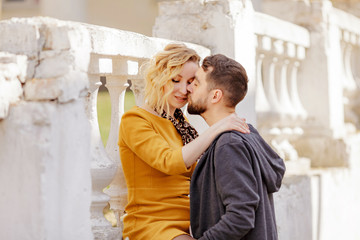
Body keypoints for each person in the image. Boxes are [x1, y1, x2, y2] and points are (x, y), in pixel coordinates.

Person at [118, 44, 249, 240]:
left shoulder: (180, 122)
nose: (183, 89)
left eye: (190, 82)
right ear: (159, 77)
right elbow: (169, 161)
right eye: (175, 80)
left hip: (193, 221)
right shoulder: (135, 120)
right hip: (154, 223)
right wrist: (218, 127)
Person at [187, 54, 286, 240]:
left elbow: (240, 216)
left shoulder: (229, 144)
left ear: (215, 95)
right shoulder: (245, 134)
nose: (189, 87)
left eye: (197, 83)